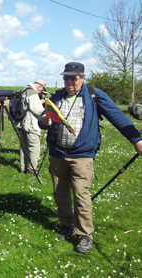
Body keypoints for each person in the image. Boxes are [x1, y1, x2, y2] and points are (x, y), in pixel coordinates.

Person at [38, 62, 142, 253]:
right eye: (66, 78)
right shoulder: (57, 96)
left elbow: (117, 117)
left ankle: (84, 234)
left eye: (73, 78)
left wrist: (136, 139)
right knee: (60, 193)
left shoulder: (94, 95)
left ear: (83, 78)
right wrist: (43, 121)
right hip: (58, 153)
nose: (69, 82)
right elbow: (45, 119)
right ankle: (67, 225)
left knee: (80, 194)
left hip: (82, 155)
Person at [17, 79, 46, 174]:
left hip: (22, 122)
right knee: (34, 146)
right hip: (31, 124)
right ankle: (32, 169)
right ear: (40, 87)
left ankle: (23, 168)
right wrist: (42, 104)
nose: (41, 93)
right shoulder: (32, 92)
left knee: (24, 147)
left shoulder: (24, 90)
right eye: (42, 91)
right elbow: (37, 110)